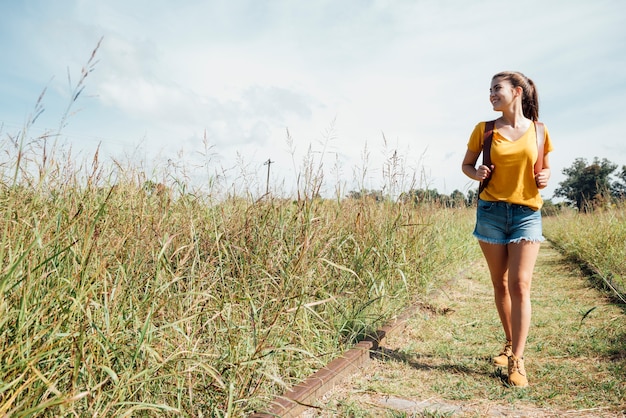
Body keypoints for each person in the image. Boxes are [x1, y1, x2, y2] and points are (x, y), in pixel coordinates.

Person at [461, 71, 554, 387]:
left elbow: (545, 167)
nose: (491, 94)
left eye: (496, 89)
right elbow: (467, 165)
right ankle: (509, 341)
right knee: (500, 283)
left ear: (516, 92)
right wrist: (478, 173)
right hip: (491, 212)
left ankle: (517, 359)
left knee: (520, 284)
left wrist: (545, 177)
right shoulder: (484, 130)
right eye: (489, 90)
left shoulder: (539, 132)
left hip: (527, 212)